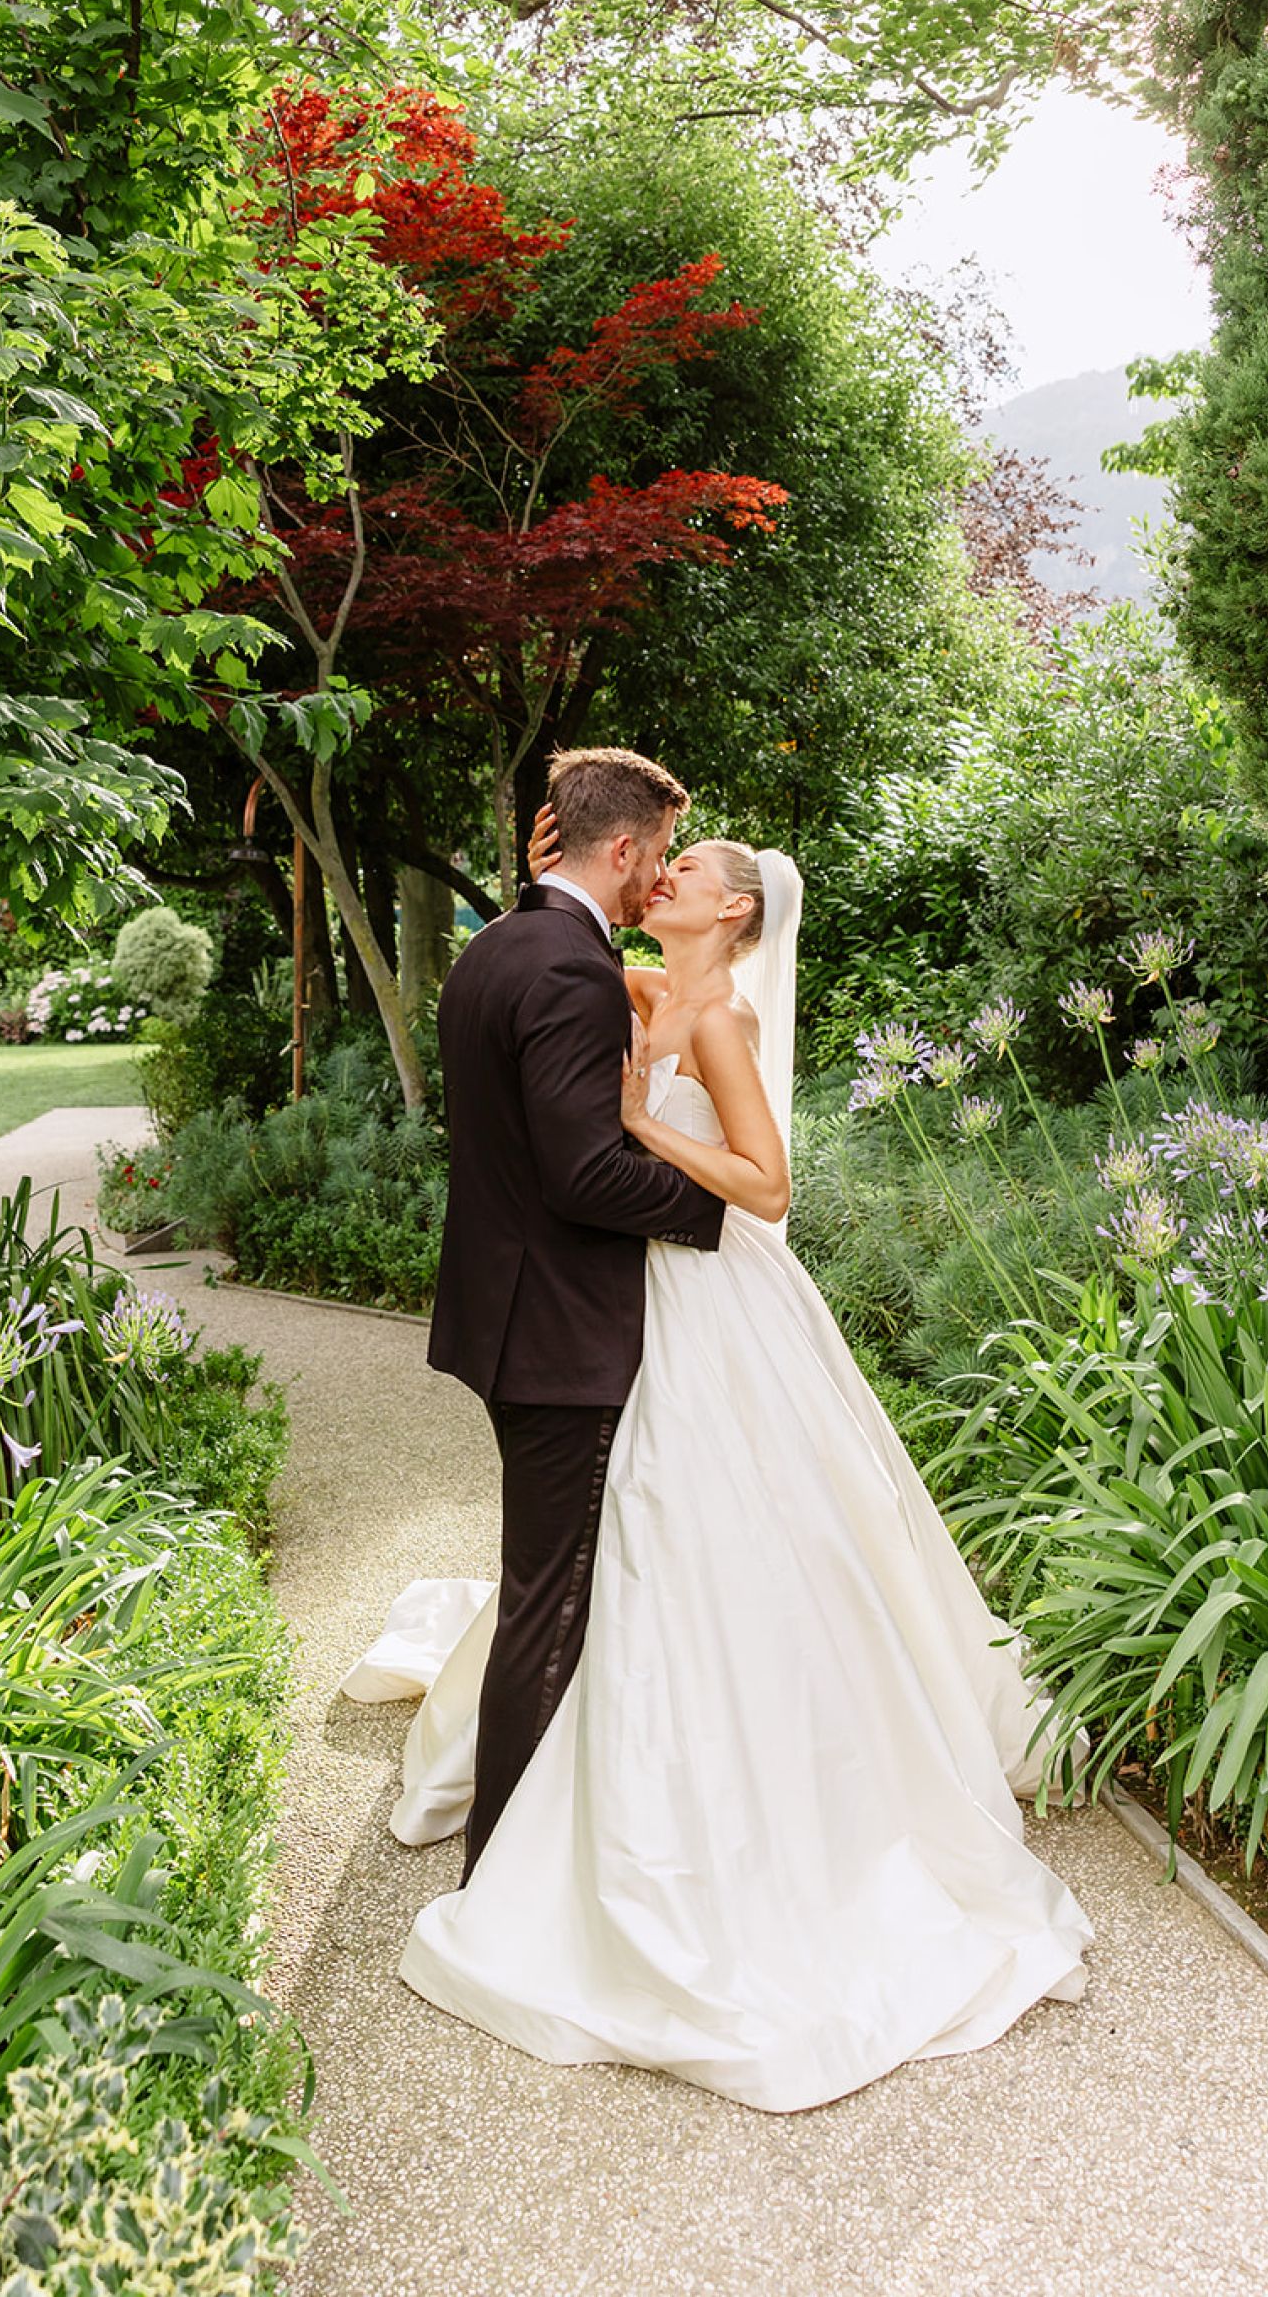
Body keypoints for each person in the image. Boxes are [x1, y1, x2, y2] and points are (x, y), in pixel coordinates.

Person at [343, 780, 1093, 2114]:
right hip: (620, 1305)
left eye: (688, 873)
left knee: (696, 1537)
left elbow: (768, 1180)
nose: (665, 880)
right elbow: (576, 1003)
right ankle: (554, 1834)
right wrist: (582, 900)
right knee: (619, 1555)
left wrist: (638, 1122)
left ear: (732, 908)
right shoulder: (614, 977)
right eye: (656, 862)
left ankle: (684, 1818)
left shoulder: (704, 1005)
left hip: (691, 1294)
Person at [419, 747, 727, 1882]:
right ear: (627, 848)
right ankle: (499, 1868)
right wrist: (714, 1203)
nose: (657, 883)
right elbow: (584, 1174)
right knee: (550, 1603)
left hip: (510, 1317)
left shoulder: (500, 945)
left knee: (540, 1585)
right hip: (558, 1337)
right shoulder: (573, 972)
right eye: (655, 858)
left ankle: (529, 1833)